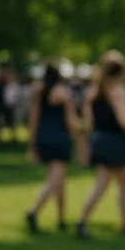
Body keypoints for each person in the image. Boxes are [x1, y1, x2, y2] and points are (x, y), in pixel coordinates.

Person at [75, 50, 125, 239]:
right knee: (117, 184)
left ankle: (118, 222)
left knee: (107, 183)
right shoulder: (118, 91)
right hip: (116, 140)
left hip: (100, 138)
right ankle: (91, 221)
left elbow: (87, 122)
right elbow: (123, 119)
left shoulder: (94, 91)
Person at [25, 63, 81, 233]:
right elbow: (71, 121)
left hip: (43, 137)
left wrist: (31, 143)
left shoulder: (37, 92)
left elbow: (33, 119)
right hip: (59, 138)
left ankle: (61, 218)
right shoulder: (64, 93)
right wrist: (79, 137)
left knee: (59, 179)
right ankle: (34, 210)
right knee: (55, 180)